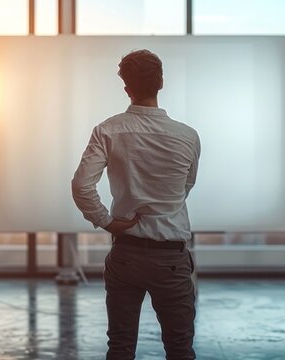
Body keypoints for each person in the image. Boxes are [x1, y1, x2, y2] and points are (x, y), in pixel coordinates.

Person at [71, 49, 201, 359]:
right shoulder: (188, 136)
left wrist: (105, 220)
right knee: (180, 348)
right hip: (171, 258)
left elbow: (81, 184)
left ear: (126, 87)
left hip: (127, 252)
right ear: (161, 83)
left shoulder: (108, 130)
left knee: (120, 346)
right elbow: (185, 187)